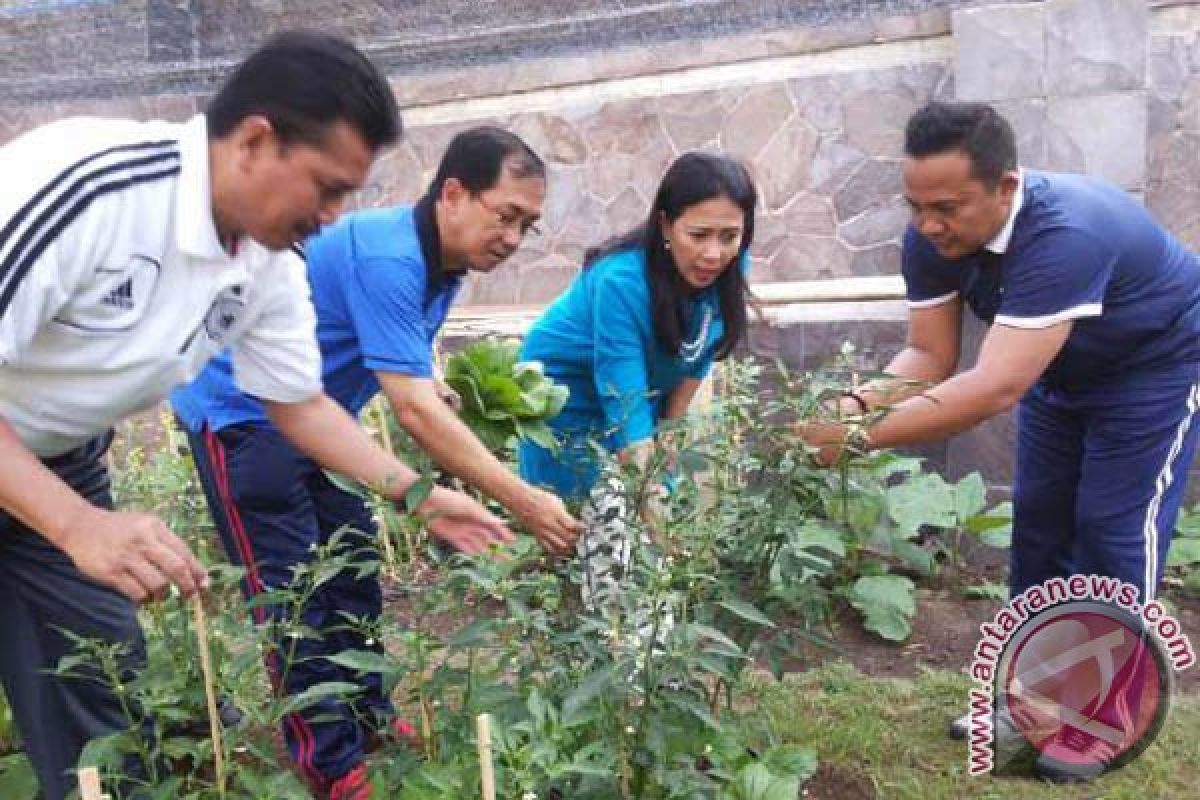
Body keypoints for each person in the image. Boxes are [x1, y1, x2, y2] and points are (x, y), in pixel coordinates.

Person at [0, 31, 510, 800]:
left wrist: (417, 494)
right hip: (49, 490)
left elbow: (301, 405)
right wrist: (79, 526)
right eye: (326, 187)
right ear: (255, 140)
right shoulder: (85, 189)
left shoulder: (266, 261)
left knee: (103, 731)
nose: (334, 215)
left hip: (49, 464)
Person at [171, 125, 580, 797]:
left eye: (527, 226)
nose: (511, 237)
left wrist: (433, 389)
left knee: (353, 560)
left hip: (319, 418)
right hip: (240, 410)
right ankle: (330, 764)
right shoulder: (394, 258)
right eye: (504, 215)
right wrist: (525, 499)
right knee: (293, 591)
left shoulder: (444, 264)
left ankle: (368, 715)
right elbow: (413, 410)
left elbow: (404, 372)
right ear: (453, 193)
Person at [796, 101, 1200, 780]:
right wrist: (848, 409)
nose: (929, 224)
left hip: (1153, 369)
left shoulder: (1066, 232)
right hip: (1058, 373)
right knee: (1038, 525)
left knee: (1112, 529)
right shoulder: (930, 238)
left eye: (948, 206)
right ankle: (1033, 706)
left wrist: (855, 442)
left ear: (1006, 187)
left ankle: (1101, 718)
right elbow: (927, 355)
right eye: (916, 205)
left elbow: (991, 389)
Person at [517, 152, 755, 605]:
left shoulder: (728, 266)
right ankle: (597, 642)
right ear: (665, 225)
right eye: (699, 234)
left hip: (641, 393)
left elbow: (698, 353)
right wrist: (664, 540)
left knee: (647, 501)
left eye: (730, 236)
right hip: (568, 402)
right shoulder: (621, 282)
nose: (714, 253)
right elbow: (624, 410)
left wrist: (667, 438)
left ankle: (631, 633)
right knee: (600, 531)